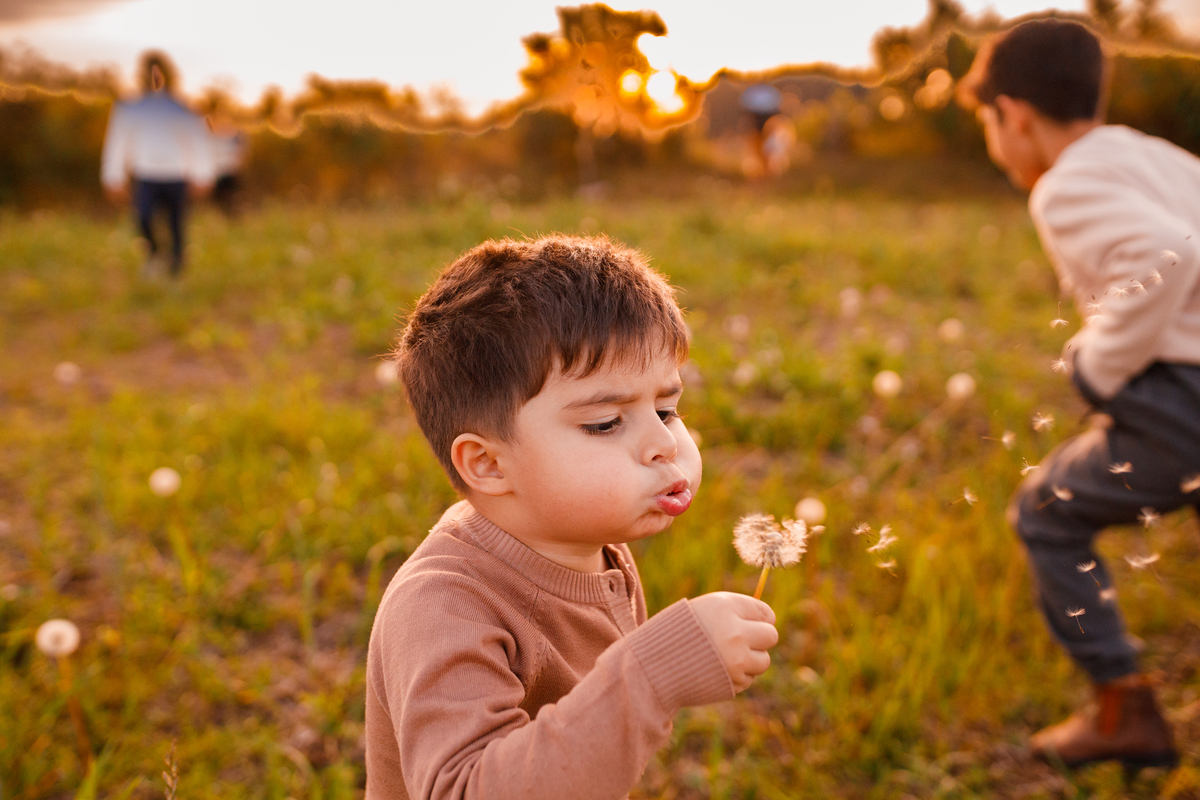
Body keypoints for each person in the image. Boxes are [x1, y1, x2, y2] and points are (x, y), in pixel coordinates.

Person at [366, 235, 779, 799]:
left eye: (666, 409)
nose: (664, 444)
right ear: (487, 464)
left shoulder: (590, 546)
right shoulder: (442, 607)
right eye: (606, 423)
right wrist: (650, 677)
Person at [960, 18, 1200, 769]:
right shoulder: (1158, 155)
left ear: (1015, 115)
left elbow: (1170, 254)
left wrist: (1097, 363)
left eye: (989, 124)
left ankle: (1122, 704)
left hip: (1185, 398)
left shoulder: (1065, 184)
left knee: (1048, 513)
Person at [101, 51, 215, 278]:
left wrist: (203, 176)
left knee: (176, 224)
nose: (156, 77)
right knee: (142, 217)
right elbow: (116, 143)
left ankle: (176, 270)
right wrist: (113, 177)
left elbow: (200, 143)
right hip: (146, 175)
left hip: (177, 176)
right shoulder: (129, 108)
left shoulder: (183, 109)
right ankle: (153, 255)